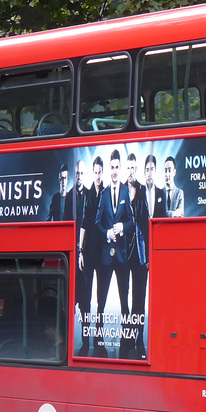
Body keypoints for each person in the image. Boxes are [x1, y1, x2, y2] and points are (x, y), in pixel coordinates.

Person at [94, 149, 134, 357]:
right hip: (105, 256)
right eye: (113, 167)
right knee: (100, 299)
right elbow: (96, 223)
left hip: (121, 256)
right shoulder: (103, 193)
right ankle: (97, 339)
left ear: (121, 168)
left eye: (118, 167)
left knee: (124, 299)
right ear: (109, 168)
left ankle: (127, 341)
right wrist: (107, 232)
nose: (115, 171)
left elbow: (132, 222)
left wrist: (122, 227)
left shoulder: (127, 192)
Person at [76, 155, 103, 355]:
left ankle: (99, 337)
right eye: (96, 172)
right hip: (88, 253)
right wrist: (80, 250)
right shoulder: (87, 195)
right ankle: (86, 339)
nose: (98, 175)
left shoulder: (108, 192)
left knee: (100, 299)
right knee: (86, 298)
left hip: (103, 254)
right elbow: (84, 223)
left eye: (100, 172)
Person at [126, 172, 150, 359]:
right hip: (124, 255)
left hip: (140, 256)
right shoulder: (120, 192)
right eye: (129, 167)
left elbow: (148, 226)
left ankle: (139, 339)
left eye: (134, 167)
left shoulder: (142, 192)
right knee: (124, 298)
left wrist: (149, 255)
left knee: (139, 300)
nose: (131, 171)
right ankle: (127, 337)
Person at [145, 154, 166, 219]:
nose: (149, 174)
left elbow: (163, 216)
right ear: (144, 172)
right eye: (147, 170)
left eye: (151, 169)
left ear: (155, 171)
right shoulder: (139, 192)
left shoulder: (161, 193)